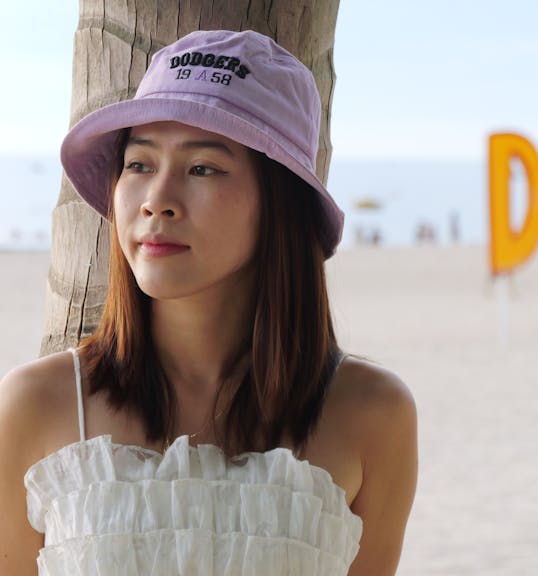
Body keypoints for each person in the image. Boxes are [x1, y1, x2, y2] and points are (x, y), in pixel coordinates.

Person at [0, 30, 417, 575]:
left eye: (203, 168)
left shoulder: (371, 413)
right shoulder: (35, 405)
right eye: (139, 164)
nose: (157, 201)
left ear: (278, 204)